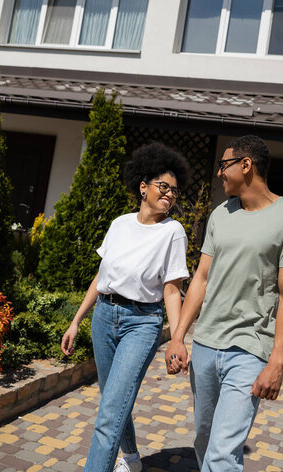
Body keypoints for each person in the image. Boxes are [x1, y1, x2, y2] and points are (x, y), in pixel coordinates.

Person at [165, 135, 283, 472]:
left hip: (249, 348)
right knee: (204, 439)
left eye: (224, 165)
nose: (219, 173)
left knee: (222, 452)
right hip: (205, 344)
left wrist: (276, 363)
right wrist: (178, 336)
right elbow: (200, 278)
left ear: (246, 165)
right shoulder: (220, 215)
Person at [61, 142, 189, 472]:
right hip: (104, 317)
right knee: (113, 402)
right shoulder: (119, 224)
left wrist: (177, 339)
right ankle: (132, 458)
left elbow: (172, 290)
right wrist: (77, 320)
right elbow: (101, 277)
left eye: (175, 191)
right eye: (164, 186)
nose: (170, 195)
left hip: (141, 323)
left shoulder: (172, 232)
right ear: (143, 186)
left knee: (110, 411)